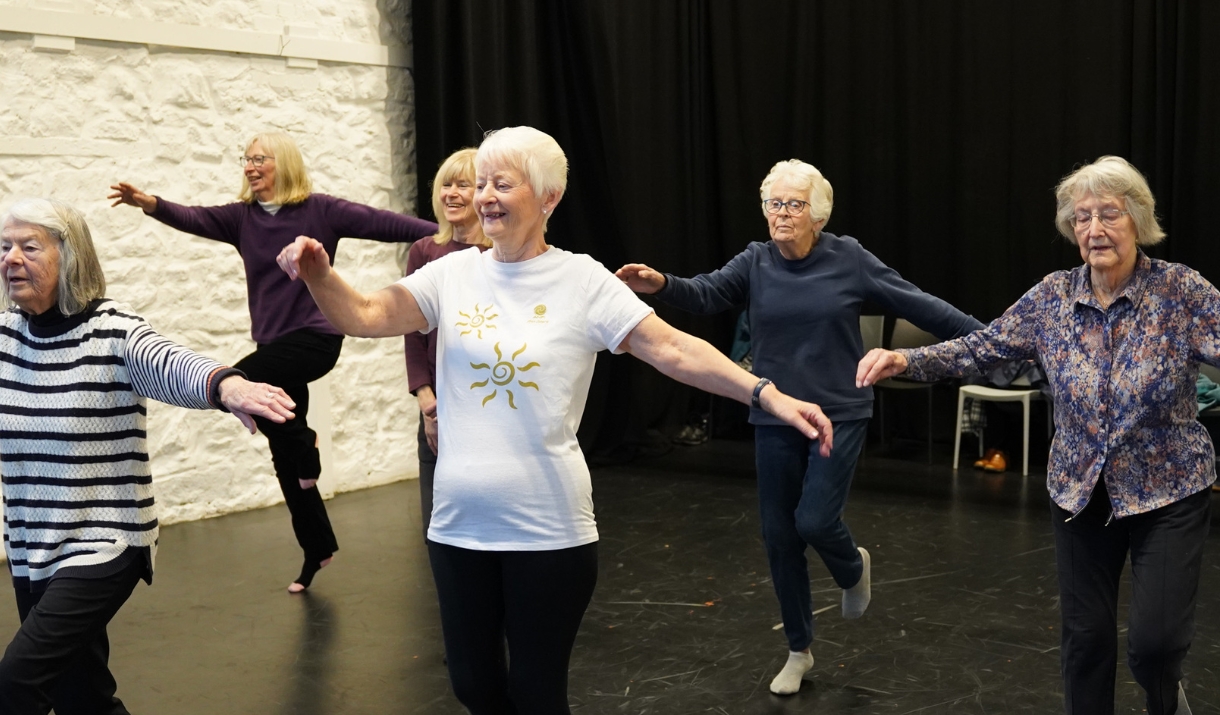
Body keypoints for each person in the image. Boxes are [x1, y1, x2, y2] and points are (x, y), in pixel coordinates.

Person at [275, 126, 835, 714]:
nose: (486, 195)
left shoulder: (582, 280)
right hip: (458, 524)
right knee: (473, 686)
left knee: (538, 696)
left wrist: (766, 394)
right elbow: (363, 314)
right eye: (481, 181)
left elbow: (675, 350)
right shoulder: (451, 275)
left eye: (503, 183)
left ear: (547, 198)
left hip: (548, 531)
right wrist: (320, 274)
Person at [857, 156, 1212, 715]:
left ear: (1138, 220)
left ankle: (1167, 696)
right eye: (1081, 218)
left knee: (1156, 646)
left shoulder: (1181, 291)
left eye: (1109, 215)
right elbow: (983, 347)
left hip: (1168, 489)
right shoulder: (1052, 297)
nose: (1094, 229)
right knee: (1086, 641)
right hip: (1079, 492)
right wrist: (907, 358)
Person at [615, 158, 983, 694]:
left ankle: (852, 569)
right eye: (773, 203)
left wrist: (990, 340)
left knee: (813, 521)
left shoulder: (848, 258)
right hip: (775, 411)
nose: (781, 214)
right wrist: (661, 283)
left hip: (840, 410)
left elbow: (918, 304)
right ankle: (798, 649)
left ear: (818, 214)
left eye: (793, 204)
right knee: (778, 536)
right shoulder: (756, 261)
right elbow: (708, 293)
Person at [0, 198, 295, 714]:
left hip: (107, 539)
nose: (11, 259)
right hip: (33, 546)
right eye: (5, 248)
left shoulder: (111, 329)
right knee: (81, 696)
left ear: (69, 257)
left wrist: (225, 385)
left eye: (29, 247)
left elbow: (166, 360)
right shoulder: (6, 338)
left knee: (16, 682)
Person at [108, 131, 438, 592]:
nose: (250, 166)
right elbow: (194, 217)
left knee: (244, 382)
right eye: (245, 159)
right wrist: (151, 203)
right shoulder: (241, 219)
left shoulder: (321, 210)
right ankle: (316, 550)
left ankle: (307, 443)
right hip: (273, 345)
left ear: (282, 163)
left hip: (316, 339)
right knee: (282, 452)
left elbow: (389, 224)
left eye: (259, 158)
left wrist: (450, 238)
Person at [404, 148, 491, 533]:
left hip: (486, 399)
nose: (451, 194)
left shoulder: (500, 255)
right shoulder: (425, 251)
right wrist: (426, 399)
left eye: (463, 185)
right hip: (439, 402)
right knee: (438, 523)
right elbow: (412, 333)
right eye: (446, 185)